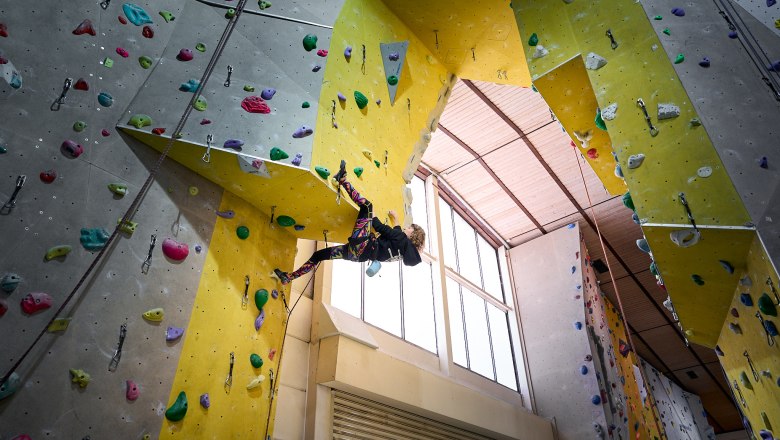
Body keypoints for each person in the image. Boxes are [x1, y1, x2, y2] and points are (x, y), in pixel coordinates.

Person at [272, 161, 426, 285]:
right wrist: (397, 220)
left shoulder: (401, 239)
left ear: (412, 234)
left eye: (409, 228)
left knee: (367, 206)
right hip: (356, 256)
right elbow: (395, 234)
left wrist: (372, 215)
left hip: (362, 245)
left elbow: (379, 227)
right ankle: (288, 278)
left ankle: (343, 180)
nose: (406, 228)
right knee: (318, 255)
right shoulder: (402, 252)